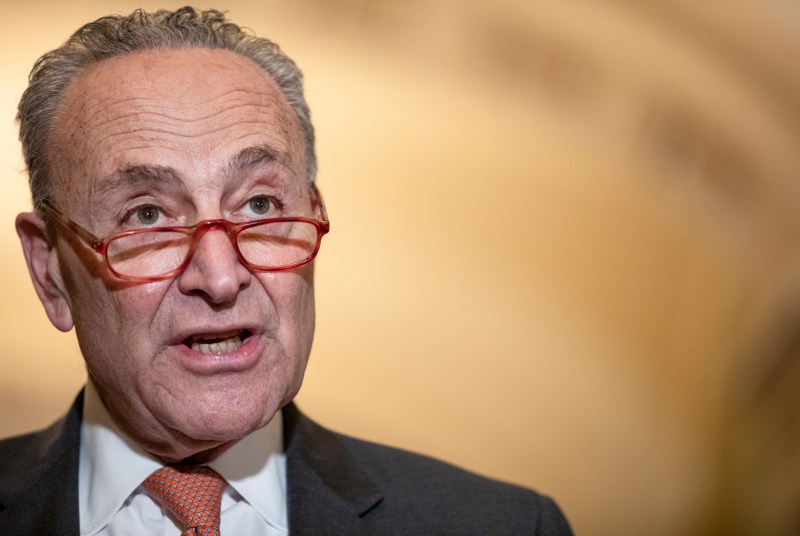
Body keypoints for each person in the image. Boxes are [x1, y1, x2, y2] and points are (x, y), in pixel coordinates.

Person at [0, 7, 572, 535]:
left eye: (259, 205)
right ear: (50, 270)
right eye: (147, 216)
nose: (221, 279)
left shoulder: (505, 525)